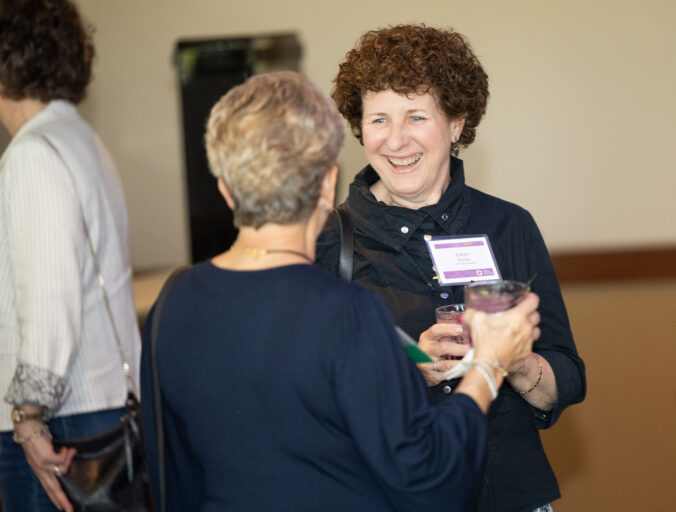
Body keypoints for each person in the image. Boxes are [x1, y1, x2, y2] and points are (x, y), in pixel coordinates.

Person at [139, 71, 542, 512]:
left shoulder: (170, 305)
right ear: (327, 184)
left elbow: (168, 474)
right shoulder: (347, 312)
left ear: (225, 191)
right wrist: (489, 365)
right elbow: (429, 478)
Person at [315, 24, 586, 512]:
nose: (396, 141)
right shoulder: (329, 242)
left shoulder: (508, 226)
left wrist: (515, 362)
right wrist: (410, 372)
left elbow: (567, 376)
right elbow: (309, 398)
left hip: (509, 493)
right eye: (378, 120)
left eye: (416, 116)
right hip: (389, 496)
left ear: (456, 123)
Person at [0, 1, 141, 511]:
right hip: (101, 409)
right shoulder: (83, 139)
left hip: (61, 424)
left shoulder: (34, 154)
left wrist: (29, 419)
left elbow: (49, 299)